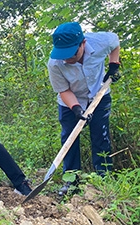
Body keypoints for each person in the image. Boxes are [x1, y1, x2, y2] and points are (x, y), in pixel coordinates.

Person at [47, 22, 121, 196]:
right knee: (69, 139)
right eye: (64, 55)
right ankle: (71, 182)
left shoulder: (101, 41)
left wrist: (113, 64)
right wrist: (77, 109)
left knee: (100, 136)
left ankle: (103, 178)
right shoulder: (55, 63)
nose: (68, 60)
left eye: (71, 54)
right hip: (70, 101)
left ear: (83, 43)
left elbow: (115, 42)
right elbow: (64, 90)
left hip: (99, 95)